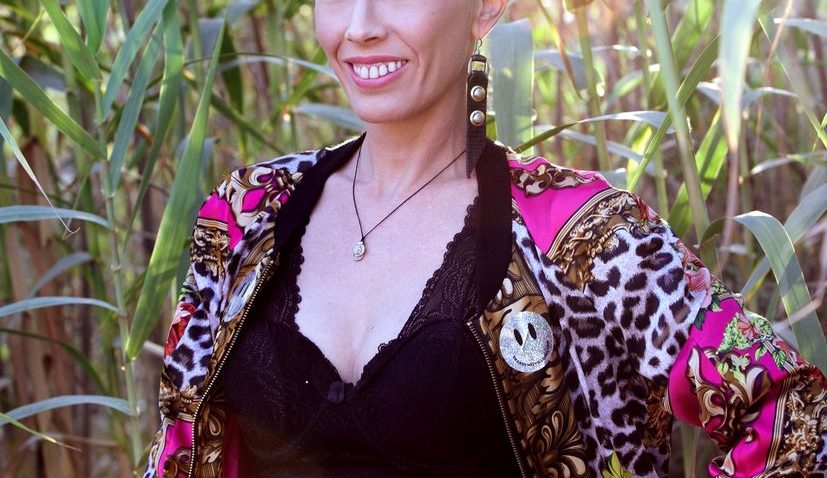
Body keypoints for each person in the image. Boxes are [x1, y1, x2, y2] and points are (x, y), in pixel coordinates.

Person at [142, 0, 827, 477]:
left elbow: (793, 414)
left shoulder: (582, 234)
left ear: (486, 7)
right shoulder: (246, 214)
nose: (360, 26)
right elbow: (178, 449)